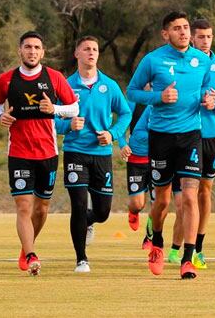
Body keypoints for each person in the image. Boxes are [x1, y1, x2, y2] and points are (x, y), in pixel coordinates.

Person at [127, 11, 214, 280]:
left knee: (189, 197)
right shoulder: (153, 60)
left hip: (190, 136)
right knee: (162, 201)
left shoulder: (201, 61)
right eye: (177, 28)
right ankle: (157, 243)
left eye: (186, 27)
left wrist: (208, 100)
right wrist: (158, 97)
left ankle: (187, 259)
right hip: (161, 136)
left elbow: (206, 92)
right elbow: (132, 92)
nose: (184, 32)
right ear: (166, 34)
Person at [0, 31, 78, 276]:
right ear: (20, 50)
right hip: (19, 152)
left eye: (37, 47)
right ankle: (30, 254)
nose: (32, 51)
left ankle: (27, 246)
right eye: (27, 47)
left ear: (43, 52)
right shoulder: (7, 79)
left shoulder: (55, 77)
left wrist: (55, 109)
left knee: (42, 208)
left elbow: (74, 107)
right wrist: (0, 115)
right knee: (24, 206)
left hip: (47, 153)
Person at [56, 36, 131, 273]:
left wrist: (112, 134)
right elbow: (52, 120)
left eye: (95, 49)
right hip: (75, 153)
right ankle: (81, 259)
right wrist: (68, 126)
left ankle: (88, 222)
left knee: (102, 212)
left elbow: (125, 113)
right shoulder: (65, 85)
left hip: (101, 154)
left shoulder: (109, 86)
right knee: (78, 205)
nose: (91, 53)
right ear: (76, 53)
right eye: (86, 49)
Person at [187, 18, 215, 269]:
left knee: (205, 190)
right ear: (192, 38)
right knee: (186, 193)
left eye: (209, 37)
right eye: (201, 37)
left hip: (211, 136)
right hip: (185, 134)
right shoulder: (185, 63)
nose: (205, 41)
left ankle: (198, 248)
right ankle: (181, 246)